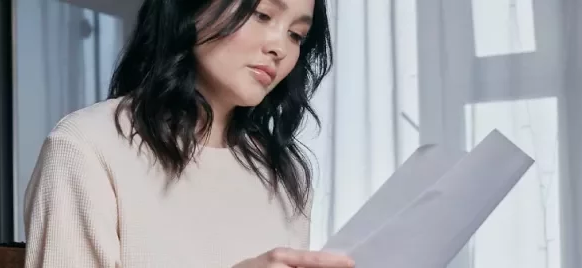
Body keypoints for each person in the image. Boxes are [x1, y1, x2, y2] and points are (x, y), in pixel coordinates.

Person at [23, 0, 354, 267]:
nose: (280, 47)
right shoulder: (86, 147)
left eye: (296, 35)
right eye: (262, 14)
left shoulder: (285, 174)